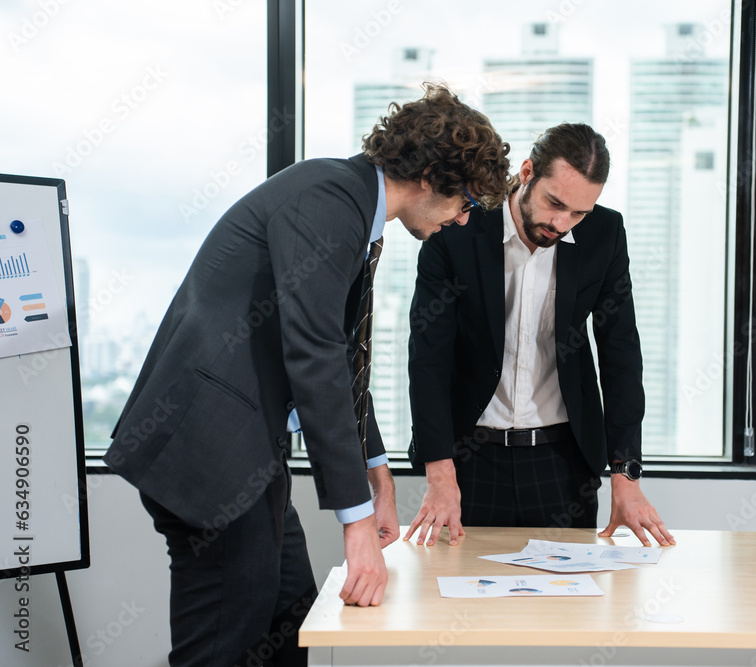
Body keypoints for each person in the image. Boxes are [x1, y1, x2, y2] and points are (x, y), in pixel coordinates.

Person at [103, 84, 510, 667]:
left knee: (292, 623)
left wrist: (380, 477)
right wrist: (358, 527)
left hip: (246, 453)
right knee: (222, 650)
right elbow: (314, 354)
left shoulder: (353, 210)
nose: (465, 217)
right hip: (210, 455)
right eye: (467, 200)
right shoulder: (328, 200)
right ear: (429, 175)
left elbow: (345, 360)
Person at [405, 123, 675, 549]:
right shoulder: (457, 226)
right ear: (527, 172)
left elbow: (620, 350)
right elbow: (428, 356)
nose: (561, 223)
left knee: (565, 609)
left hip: (564, 461)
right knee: (460, 599)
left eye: (578, 213)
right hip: (469, 458)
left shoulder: (604, 234)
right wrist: (439, 473)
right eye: (555, 204)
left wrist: (626, 475)